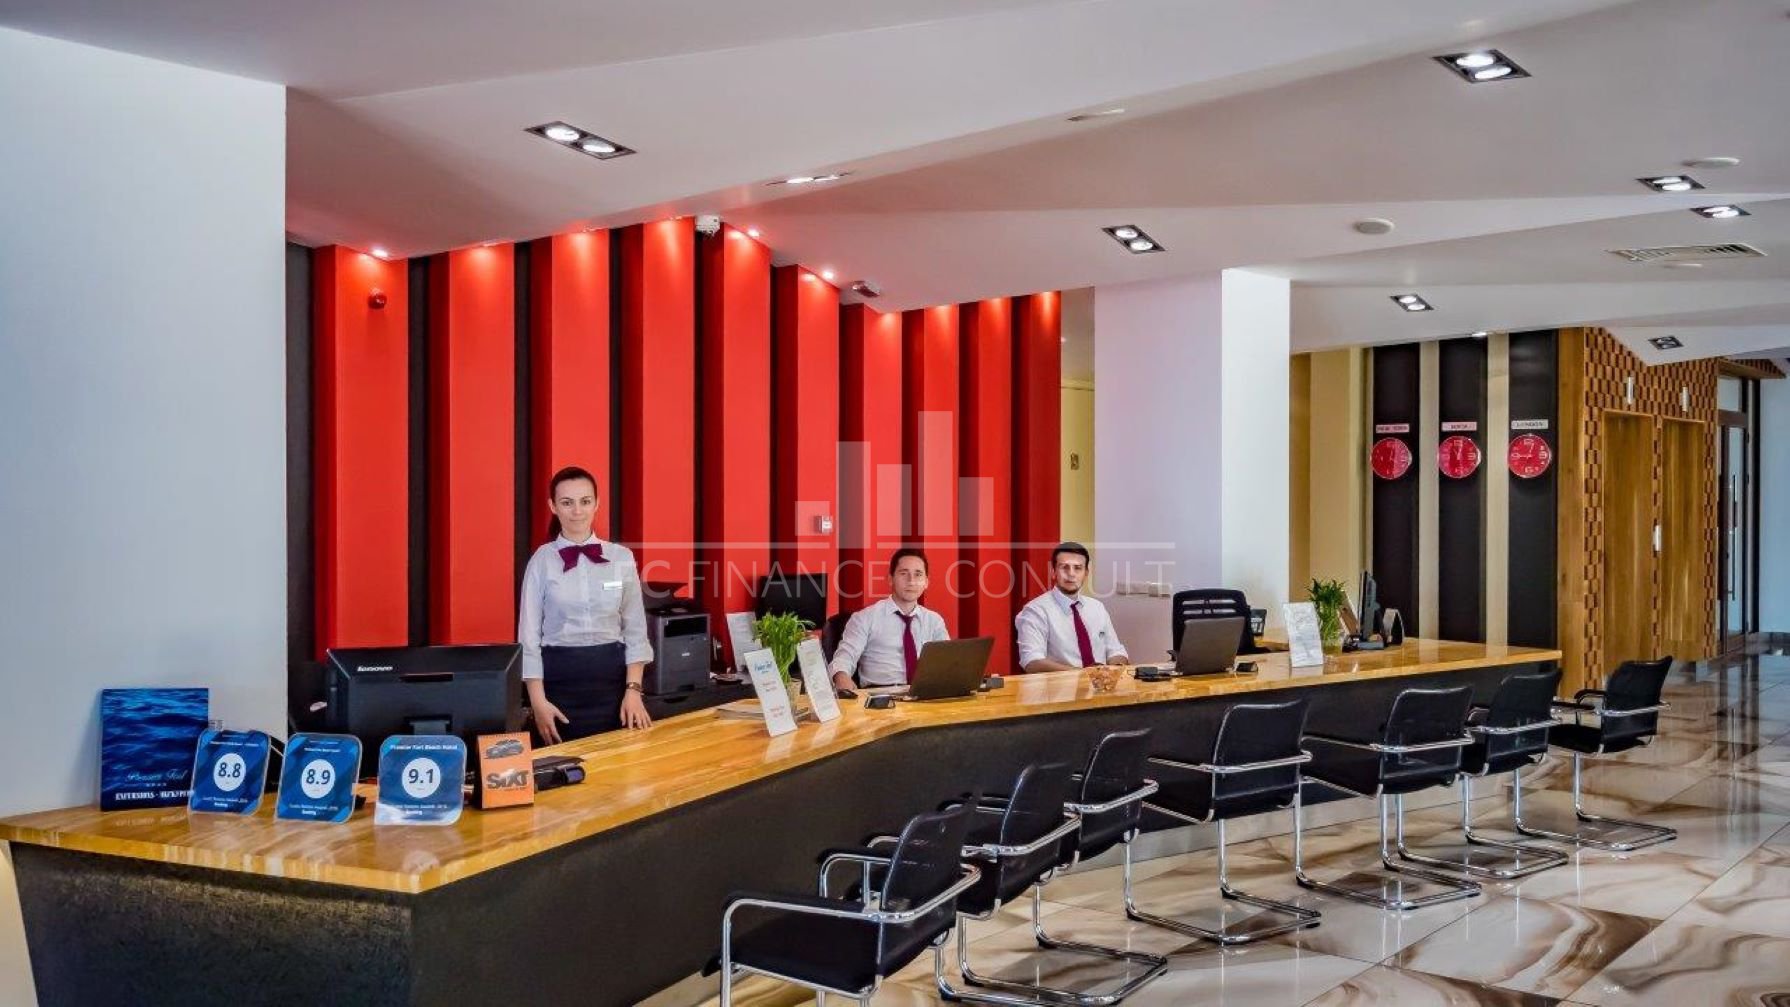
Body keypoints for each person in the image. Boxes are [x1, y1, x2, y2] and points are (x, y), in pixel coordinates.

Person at [517, 466, 654, 743]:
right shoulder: (541, 560)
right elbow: (528, 638)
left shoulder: (621, 557)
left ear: (597, 503)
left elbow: (636, 630)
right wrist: (537, 702)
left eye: (585, 501)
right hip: (558, 686)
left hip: (615, 687)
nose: (577, 511)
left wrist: (633, 690)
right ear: (553, 506)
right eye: (567, 502)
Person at [829, 547, 951, 690]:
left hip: (925, 695)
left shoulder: (934, 621)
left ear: (926, 582)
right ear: (890, 579)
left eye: (918, 574)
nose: (911, 581)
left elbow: (948, 662)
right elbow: (844, 658)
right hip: (881, 695)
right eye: (903, 573)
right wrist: (841, 677)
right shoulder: (864, 618)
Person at [1015, 542, 1131, 673]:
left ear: (1086, 573)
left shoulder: (1097, 607)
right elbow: (1032, 662)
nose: (1071, 574)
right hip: (1061, 685)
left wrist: (1114, 669)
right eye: (1064, 567)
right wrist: (1082, 674)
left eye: (1077, 568)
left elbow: (1116, 651)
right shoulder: (1035, 611)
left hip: (1102, 683)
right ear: (1053, 572)